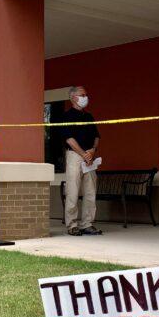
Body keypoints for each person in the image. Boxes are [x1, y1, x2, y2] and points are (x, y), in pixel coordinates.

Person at [60, 86, 102, 236]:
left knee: (90, 192)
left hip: (90, 157)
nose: (85, 97)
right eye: (82, 95)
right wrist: (83, 154)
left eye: (86, 94)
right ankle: (72, 224)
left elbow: (96, 136)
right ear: (73, 98)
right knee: (73, 190)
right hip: (75, 156)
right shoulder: (67, 116)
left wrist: (92, 151)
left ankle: (87, 224)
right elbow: (69, 139)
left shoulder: (89, 116)